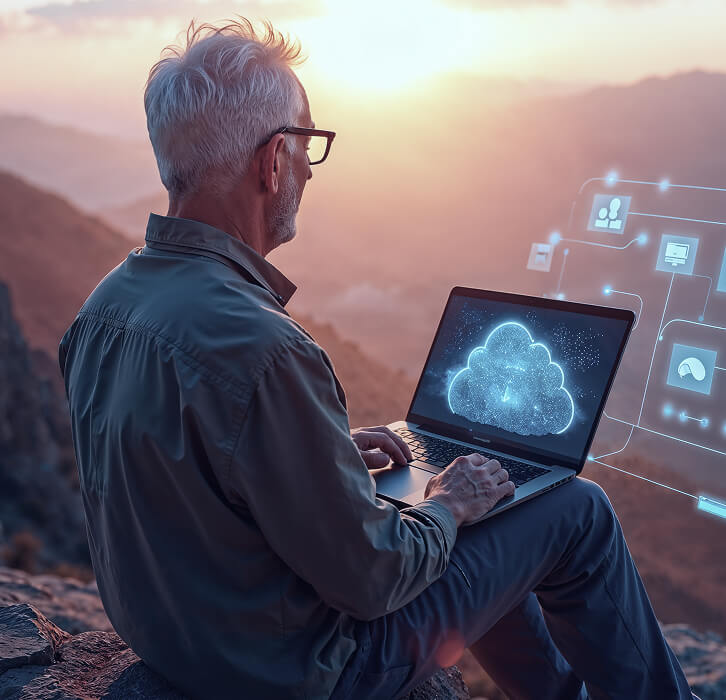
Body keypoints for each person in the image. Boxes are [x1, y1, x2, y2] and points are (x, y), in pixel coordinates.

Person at [58, 18, 697, 700]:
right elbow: (373, 581)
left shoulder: (102, 310)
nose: (309, 167)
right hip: (302, 671)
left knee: (484, 511)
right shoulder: (268, 351)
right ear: (273, 161)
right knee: (576, 509)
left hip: (185, 642)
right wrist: (451, 505)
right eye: (307, 146)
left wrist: (320, 457)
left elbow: (191, 485)